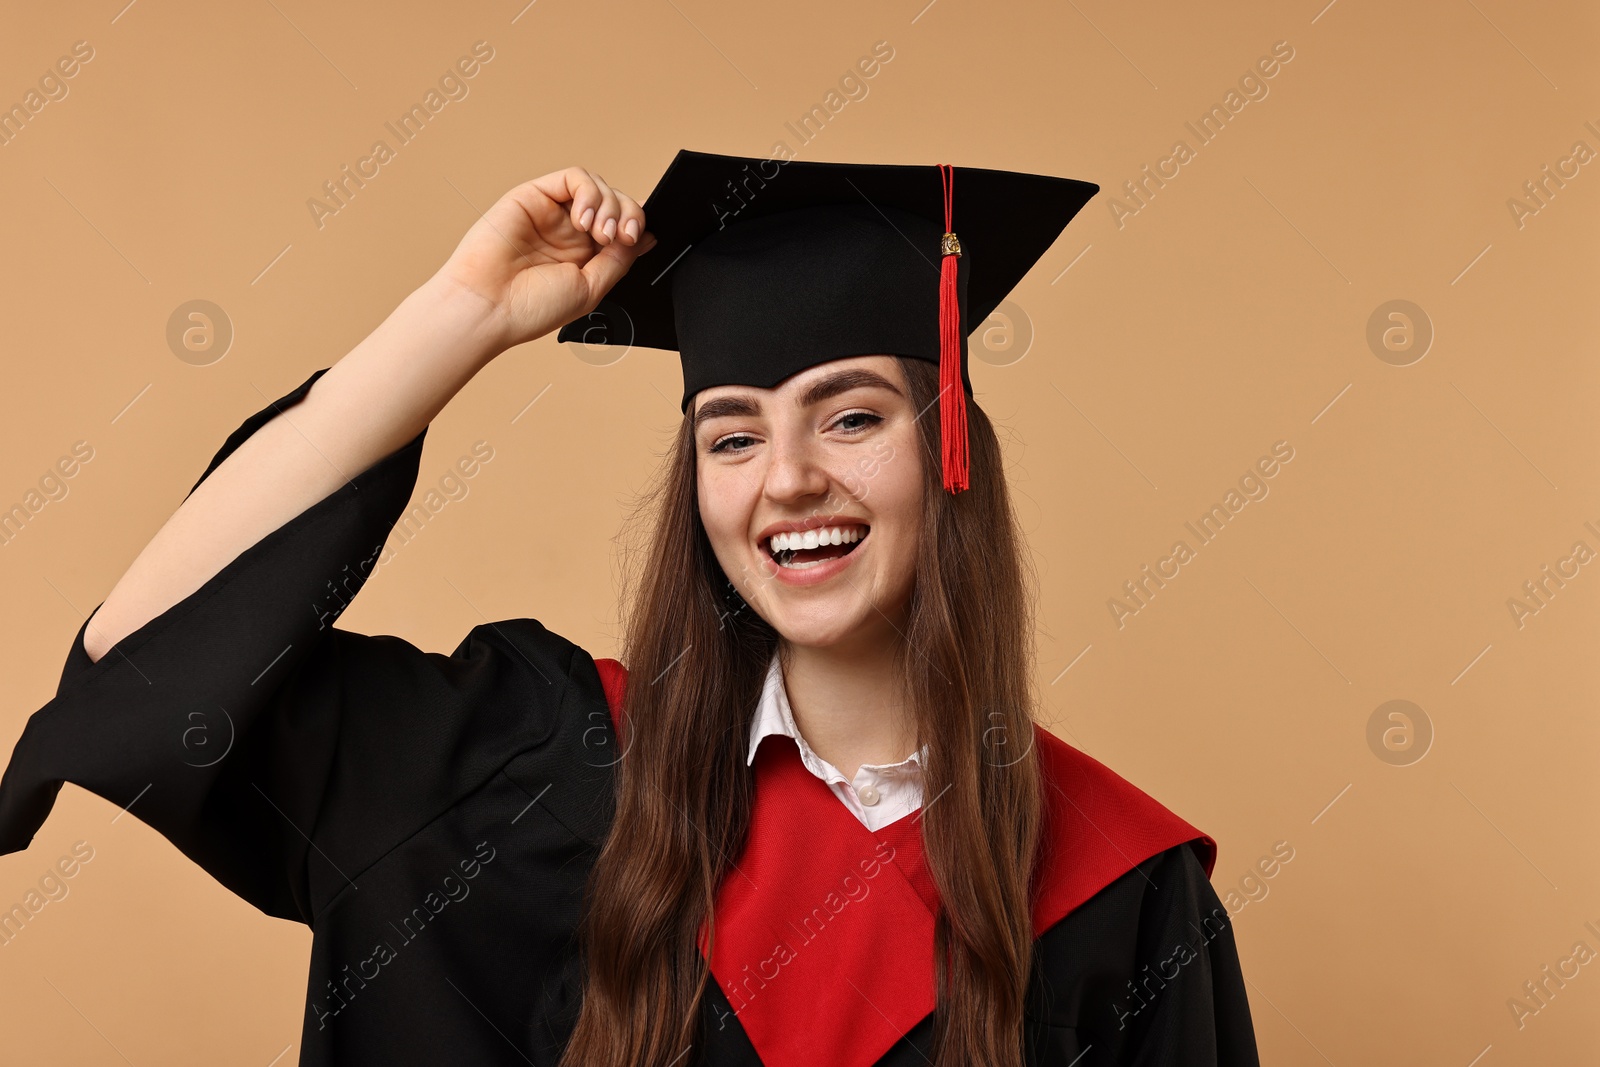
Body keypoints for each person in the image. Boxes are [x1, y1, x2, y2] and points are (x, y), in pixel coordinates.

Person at [0, 149, 1260, 1066]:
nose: (788, 478)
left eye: (854, 414)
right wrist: (467, 315)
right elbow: (145, 655)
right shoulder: (532, 764)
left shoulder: (1118, 889)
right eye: (730, 434)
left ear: (952, 455)